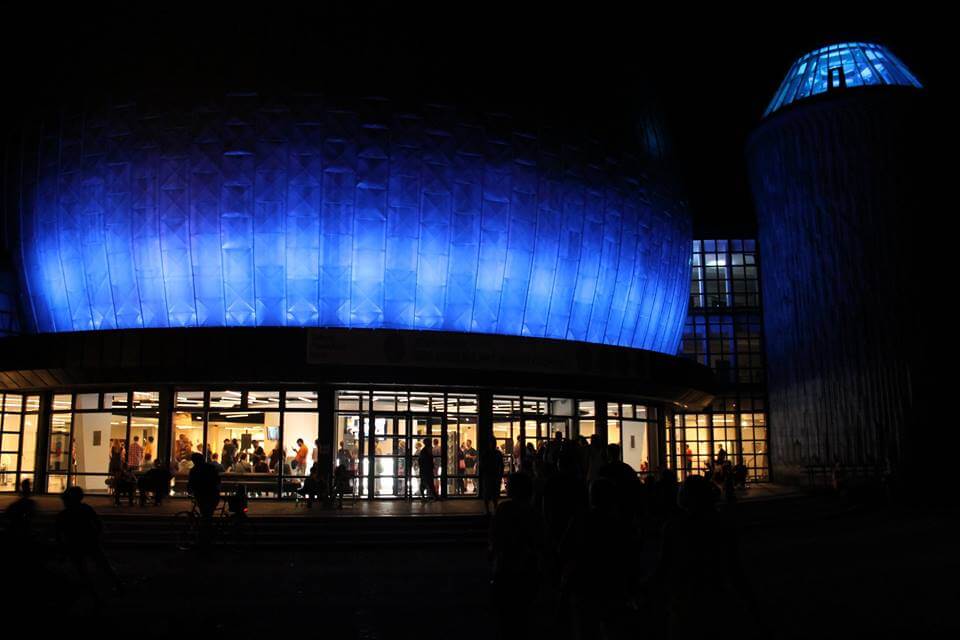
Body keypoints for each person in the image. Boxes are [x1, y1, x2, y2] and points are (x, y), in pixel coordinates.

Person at [489, 472, 540, 639]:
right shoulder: (533, 513)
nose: (506, 486)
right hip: (526, 569)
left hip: (506, 568)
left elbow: (495, 538)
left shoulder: (504, 510)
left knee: (506, 615)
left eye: (508, 484)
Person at [56, 486, 122, 596]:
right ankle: (117, 586)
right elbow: (97, 523)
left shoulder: (64, 515)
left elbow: (58, 532)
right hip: (89, 542)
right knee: (103, 565)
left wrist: (62, 548)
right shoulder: (85, 509)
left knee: (84, 570)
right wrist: (98, 535)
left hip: (76, 545)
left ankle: (94, 593)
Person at [187, 453, 221, 548]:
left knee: (205, 515)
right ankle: (209, 535)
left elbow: (191, 483)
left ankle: (206, 537)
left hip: (202, 495)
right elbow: (217, 479)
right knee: (208, 514)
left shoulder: (194, 470)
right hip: (213, 494)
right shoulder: (210, 467)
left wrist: (190, 491)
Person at [478, 443, 505, 515]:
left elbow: (481, 465)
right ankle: (495, 508)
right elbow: (502, 465)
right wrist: (500, 475)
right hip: (495, 475)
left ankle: (487, 510)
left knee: (487, 493)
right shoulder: (498, 454)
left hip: (488, 476)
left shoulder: (486, 454)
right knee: (495, 493)